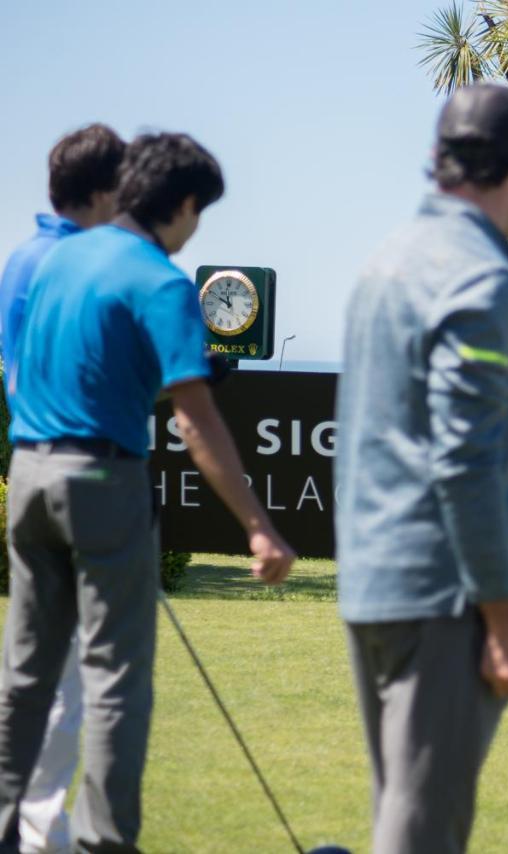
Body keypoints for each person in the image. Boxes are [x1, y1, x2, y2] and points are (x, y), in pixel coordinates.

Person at [0, 132, 296, 852]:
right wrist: (258, 527)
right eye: (201, 213)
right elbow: (198, 425)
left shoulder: (56, 256)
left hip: (29, 474)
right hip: (103, 479)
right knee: (114, 680)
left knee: (27, 674)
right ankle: (105, 843)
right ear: (184, 205)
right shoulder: (160, 280)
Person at [336, 82, 508, 853]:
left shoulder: (384, 260)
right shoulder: (480, 278)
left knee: (399, 807)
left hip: (370, 582)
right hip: (439, 593)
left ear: (438, 160)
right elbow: (461, 464)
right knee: (422, 829)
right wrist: (505, 620)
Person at [0, 123, 124, 854]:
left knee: (27, 667)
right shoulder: (84, 263)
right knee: (81, 675)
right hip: (82, 469)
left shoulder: (21, 258)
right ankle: (47, 831)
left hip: (28, 465)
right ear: (106, 190)